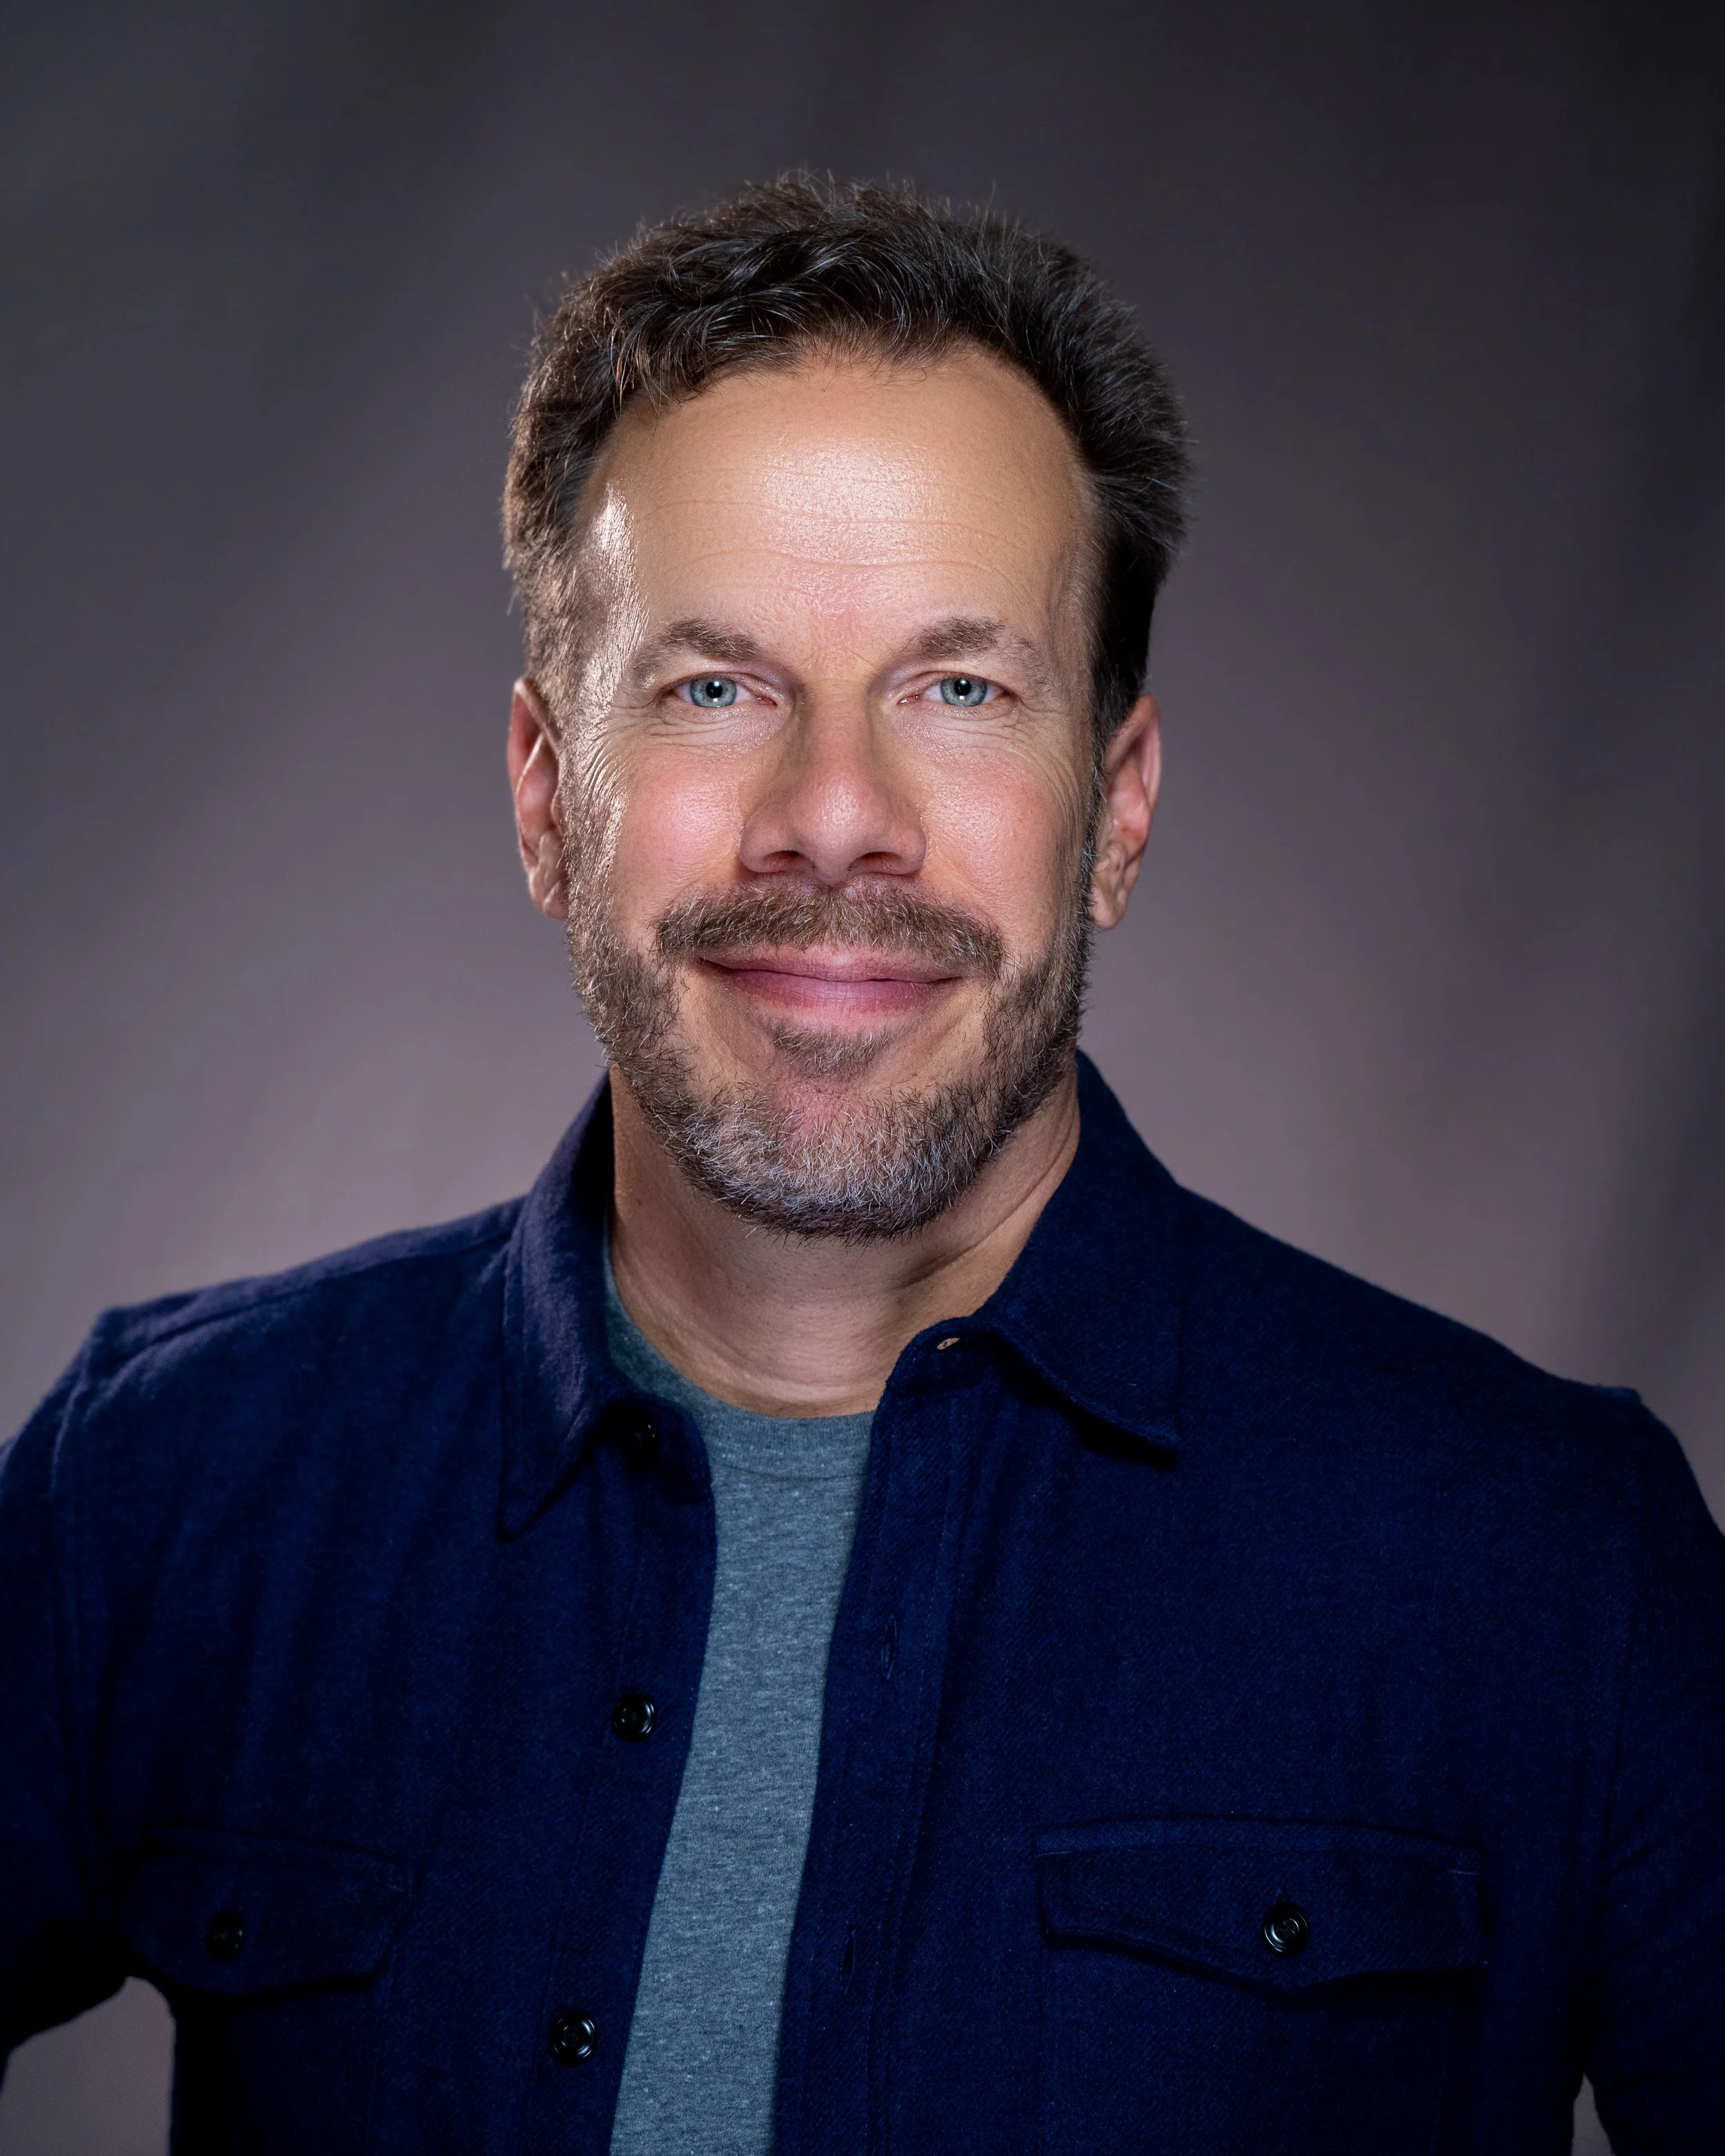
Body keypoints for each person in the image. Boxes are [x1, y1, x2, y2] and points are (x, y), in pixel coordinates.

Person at [1, 177, 1721, 2156]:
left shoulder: (1553, 1561)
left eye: (957, 689)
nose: (834, 818)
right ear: (549, 798)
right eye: (715, 687)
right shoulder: (167, 1483)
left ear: (1115, 809)